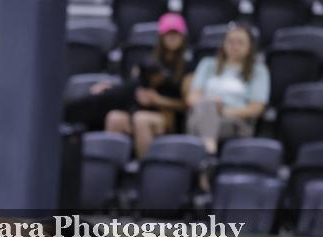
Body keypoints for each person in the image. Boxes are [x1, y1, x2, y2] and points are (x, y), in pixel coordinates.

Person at [104, 12, 192, 158]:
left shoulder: (188, 67)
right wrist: (110, 89)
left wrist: (158, 100)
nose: (172, 37)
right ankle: (110, 168)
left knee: (141, 119)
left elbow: (186, 105)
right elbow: (132, 86)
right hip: (141, 109)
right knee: (114, 117)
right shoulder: (147, 62)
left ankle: (147, 167)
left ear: (183, 37)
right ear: (161, 36)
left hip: (169, 116)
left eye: (176, 34)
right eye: (168, 33)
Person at [185, 22, 270, 154]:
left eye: (240, 42)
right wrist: (211, 105)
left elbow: (256, 108)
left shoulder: (259, 70)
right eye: (230, 41)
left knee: (200, 121)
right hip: (203, 113)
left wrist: (222, 110)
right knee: (206, 107)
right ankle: (209, 149)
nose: (234, 46)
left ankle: (206, 153)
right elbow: (192, 98)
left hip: (236, 121)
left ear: (250, 47)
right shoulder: (207, 64)